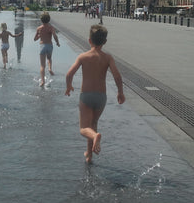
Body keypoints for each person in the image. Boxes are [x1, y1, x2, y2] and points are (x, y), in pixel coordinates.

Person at [65, 24, 125, 163]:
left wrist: (69, 86)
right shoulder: (108, 58)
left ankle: (95, 139)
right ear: (104, 42)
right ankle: (89, 155)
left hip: (86, 96)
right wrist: (120, 92)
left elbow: (69, 74)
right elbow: (117, 76)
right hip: (101, 97)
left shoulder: (83, 56)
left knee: (84, 128)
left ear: (89, 40)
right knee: (93, 125)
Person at [33, 12, 60, 87]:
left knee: (42, 66)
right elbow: (55, 36)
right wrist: (57, 42)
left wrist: (39, 36)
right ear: (49, 20)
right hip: (50, 45)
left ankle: (42, 81)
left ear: (41, 20)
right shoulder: (51, 28)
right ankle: (50, 69)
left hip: (42, 46)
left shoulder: (39, 28)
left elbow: (35, 39)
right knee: (49, 58)